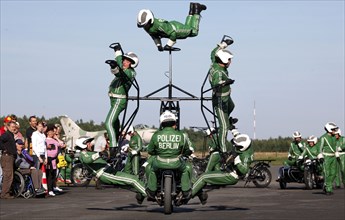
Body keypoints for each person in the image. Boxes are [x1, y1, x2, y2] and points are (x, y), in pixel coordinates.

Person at [76, 136, 147, 204]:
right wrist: (100, 154)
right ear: (83, 145)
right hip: (105, 173)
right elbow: (87, 160)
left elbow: (101, 160)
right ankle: (149, 194)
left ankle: (141, 195)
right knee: (133, 180)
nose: (91, 144)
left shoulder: (91, 153)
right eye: (88, 143)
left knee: (132, 181)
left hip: (110, 171)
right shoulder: (83, 154)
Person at [191, 133, 254, 205]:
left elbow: (244, 170)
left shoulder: (246, 156)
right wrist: (234, 131)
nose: (235, 147)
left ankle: (188, 195)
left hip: (231, 175)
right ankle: (200, 194)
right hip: (227, 170)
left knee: (203, 177)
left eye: (237, 146)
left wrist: (236, 160)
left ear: (242, 147)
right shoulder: (247, 146)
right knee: (207, 174)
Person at [145, 110, 193, 202]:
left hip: (159, 162)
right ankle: (186, 191)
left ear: (162, 123)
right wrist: (186, 153)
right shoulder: (180, 135)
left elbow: (150, 150)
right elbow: (186, 150)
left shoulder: (156, 135)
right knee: (187, 168)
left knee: (150, 168)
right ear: (174, 122)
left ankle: (151, 190)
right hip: (176, 163)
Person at [104, 43, 139, 159]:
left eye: (127, 61)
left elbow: (119, 73)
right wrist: (117, 50)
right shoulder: (124, 66)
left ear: (132, 63)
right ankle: (117, 136)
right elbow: (119, 60)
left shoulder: (130, 72)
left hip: (119, 100)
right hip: (113, 98)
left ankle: (113, 146)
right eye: (124, 59)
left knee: (108, 122)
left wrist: (113, 67)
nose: (124, 61)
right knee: (114, 123)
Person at [208, 37, 238, 154]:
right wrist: (225, 82)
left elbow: (213, 53)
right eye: (229, 59)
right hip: (219, 100)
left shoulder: (215, 62)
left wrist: (224, 45)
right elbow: (216, 84)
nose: (231, 61)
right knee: (224, 127)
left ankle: (227, 121)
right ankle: (223, 151)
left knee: (232, 106)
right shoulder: (218, 72)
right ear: (224, 61)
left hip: (226, 98)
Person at [137, 2, 207, 51]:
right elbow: (154, 36)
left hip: (176, 29)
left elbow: (173, 33)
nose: (145, 27)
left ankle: (197, 10)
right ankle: (192, 8)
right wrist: (158, 45)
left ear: (150, 20)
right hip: (172, 26)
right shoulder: (147, 28)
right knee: (188, 26)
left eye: (146, 24)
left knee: (194, 32)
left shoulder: (159, 25)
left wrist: (169, 45)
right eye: (143, 25)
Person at [318, 122, 338, 195]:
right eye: (333, 129)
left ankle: (326, 185)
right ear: (329, 129)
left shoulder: (334, 137)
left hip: (333, 156)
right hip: (326, 157)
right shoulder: (323, 137)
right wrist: (320, 156)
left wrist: (336, 152)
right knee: (327, 173)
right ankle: (328, 189)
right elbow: (319, 148)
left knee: (334, 173)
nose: (334, 131)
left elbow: (335, 146)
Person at [0, 121, 17, 199]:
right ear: (8, 127)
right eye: (12, 126)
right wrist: (5, 149)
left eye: (14, 127)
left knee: (9, 175)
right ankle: (4, 194)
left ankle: (7, 192)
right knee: (8, 176)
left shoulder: (11, 135)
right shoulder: (6, 135)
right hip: (7, 157)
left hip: (10, 157)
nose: (14, 128)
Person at [45, 125, 63, 196]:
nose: (52, 133)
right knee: (49, 174)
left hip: (54, 160)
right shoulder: (45, 140)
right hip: (49, 159)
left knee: (53, 175)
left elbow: (62, 144)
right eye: (50, 132)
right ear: (47, 133)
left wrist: (56, 138)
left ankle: (52, 187)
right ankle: (49, 189)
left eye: (53, 132)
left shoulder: (54, 140)